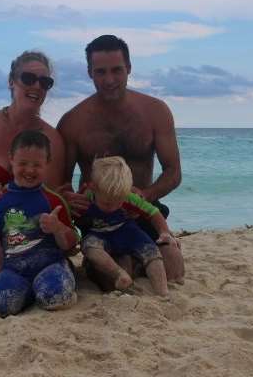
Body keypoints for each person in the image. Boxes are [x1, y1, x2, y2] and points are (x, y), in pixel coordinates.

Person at [57, 34, 184, 285]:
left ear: (129, 68)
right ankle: (126, 262)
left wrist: (146, 195)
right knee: (108, 279)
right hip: (98, 218)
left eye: (117, 70)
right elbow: (61, 183)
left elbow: (173, 172)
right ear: (90, 72)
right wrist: (70, 200)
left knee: (173, 270)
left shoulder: (155, 111)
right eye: (100, 72)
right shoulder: (73, 122)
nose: (109, 80)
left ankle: (136, 259)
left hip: (142, 212)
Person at [0, 50, 66, 290]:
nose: (37, 86)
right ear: (11, 81)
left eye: (45, 82)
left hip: (33, 228)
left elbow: (55, 194)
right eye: (28, 79)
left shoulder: (52, 138)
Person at [0, 130, 78, 318]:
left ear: (47, 163)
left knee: (55, 298)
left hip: (50, 264)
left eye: (37, 165)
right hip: (14, 269)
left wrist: (58, 229)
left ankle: (56, 280)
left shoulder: (53, 200)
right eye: (23, 163)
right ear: (11, 159)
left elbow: (71, 244)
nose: (29, 170)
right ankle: (30, 292)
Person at [78, 156, 180, 297]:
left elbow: (153, 212)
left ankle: (162, 291)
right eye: (107, 203)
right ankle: (120, 274)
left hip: (128, 232)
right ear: (93, 187)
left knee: (152, 253)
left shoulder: (127, 196)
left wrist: (164, 232)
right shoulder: (86, 197)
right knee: (89, 247)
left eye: (118, 202)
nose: (112, 207)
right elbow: (74, 217)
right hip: (100, 235)